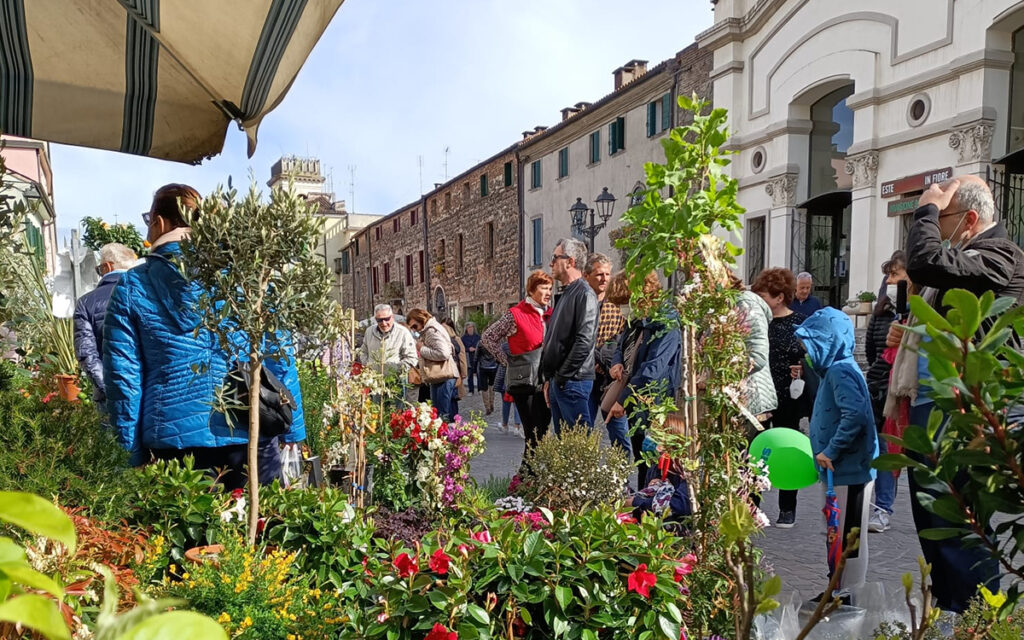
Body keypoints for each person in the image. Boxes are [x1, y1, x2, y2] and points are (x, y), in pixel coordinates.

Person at [103, 183, 306, 488]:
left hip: (174, 443)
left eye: (149, 220)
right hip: (250, 427)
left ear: (159, 223)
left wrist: (130, 452)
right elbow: (280, 355)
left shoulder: (133, 287)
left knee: (192, 532)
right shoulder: (249, 278)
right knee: (265, 528)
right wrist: (294, 430)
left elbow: (123, 379)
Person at [890, 175, 1021, 612]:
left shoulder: (999, 253)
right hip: (936, 406)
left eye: (939, 217)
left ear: (968, 219)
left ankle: (978, 619)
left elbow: (923, 262)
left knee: (962, 524)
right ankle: (953, 614)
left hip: (970, 410)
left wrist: (925, 204)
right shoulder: (967, 256)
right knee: (934, 519)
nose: (932, 225)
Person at [795, 307, 878, 595]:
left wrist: (831, 450)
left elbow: (855, 415)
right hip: (840, 470)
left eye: (810, 346)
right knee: (837, 531)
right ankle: (838, 586)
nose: (806, 353)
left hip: (849, 469)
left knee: (848, 534)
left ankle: (849, 593)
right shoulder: (836, 370)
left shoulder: (841, 371)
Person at [607, 272, 682, 489]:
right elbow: (622, 344)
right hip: (636, 397)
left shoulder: (665, 320)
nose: (622, 310)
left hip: (656, 400)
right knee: (642, 457)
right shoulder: (637, 318)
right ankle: (642, 503)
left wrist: (624, 399)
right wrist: (617, 362)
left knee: (654, 460)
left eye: (624, 302)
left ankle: (651, 509)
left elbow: (654, 368)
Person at [751, 267, 809, 528]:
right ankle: (752, 505)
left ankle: (788, 508)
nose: (759, 301)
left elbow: (811, 357)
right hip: (760, 396)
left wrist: (801, 366)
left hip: (788, 396)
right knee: (756, 452)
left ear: (779, 297)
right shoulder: (757, 322)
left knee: (787, 450)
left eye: (763, 296)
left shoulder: (800, 323)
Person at [481, 270, 553, 471]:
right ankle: (526, 477)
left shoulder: (550, 314)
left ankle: (531, 476)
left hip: (546, 380)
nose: (548, 292)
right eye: (543, 288)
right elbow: (488, 338)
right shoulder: (515, 314)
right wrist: (508, 362)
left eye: (550, 288)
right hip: (524, 382)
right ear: (531, 290)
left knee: (543, 431)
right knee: (532, 432)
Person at [864, 252, 909, 533]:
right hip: (880, 387)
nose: (890, 280)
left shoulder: (915, 314)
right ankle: (882, 507)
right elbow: (870, 350)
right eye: (888, 275)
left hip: (903, 389)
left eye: (896, 275)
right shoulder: (881, 313)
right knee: (883, 448)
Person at [541, 238, 598, 432]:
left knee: (578, 447)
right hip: (562, 381)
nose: (551, 263)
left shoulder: (584, 294)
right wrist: (550, 378)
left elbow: (585, 341)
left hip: (573, 381)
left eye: (555, 258)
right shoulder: (567, 294)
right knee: (566, 447)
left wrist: (562, 376)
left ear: (570, 262)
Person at [74, 242, 136, 408]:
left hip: (108, 398)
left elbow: (86, 354)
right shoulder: (146, 295)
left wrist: (109, 390)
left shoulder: (86, 303)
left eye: (99, 269)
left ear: (107, 267)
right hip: (146, 394)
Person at [585, 255, 630, 454]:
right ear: (587, 276)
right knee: (582, 431)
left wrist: (608, 361)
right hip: (585, 377)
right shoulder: (581, 302)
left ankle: (622, 481)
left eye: (607, 274)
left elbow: (624, 339)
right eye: (599, 274)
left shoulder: (617, 305)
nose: (604, 279)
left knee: (619, 432)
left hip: (611, 378)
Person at [626, 412, 693, 526]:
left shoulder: (686, 473)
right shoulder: (656, 468)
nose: (650, 440)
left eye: (656, 437)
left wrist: (636, 502)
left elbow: (678, 506)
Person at [407, 308, 458, 422]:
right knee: (437, 414)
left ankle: (446, 438)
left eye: (414, 326)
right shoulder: (430, 329)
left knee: (442, 416)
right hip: (439, 376)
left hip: (443, 375)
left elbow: (443, 353)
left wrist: (422, 349)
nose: (414, 329)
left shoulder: (431, 331)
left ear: (421, 319)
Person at [358, 303, 418, 376]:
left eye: (387, 319)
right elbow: (363, 351)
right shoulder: (369, 331)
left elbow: (412, 358)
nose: (384, 323)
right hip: (374, 378)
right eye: (379, 320)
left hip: (395, 380)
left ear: (392, 317)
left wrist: (397, 369)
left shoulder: (403, 332)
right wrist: (368, 365)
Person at [493, 340, 523, 436]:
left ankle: (505, 424)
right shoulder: (520, 344)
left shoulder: (504, 346)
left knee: (505, 402)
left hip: (505, 376)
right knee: (517, 402)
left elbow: (497, 359)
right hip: (518, 375)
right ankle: (516, 426)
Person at [442, 318, 468, 417]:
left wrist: (464, 372)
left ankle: (452, 419)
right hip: (446, 372)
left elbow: (462, 356)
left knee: (453, 397)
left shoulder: (456, 339)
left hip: (454, 371)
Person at [476, 342, 499, 415]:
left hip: (483, 367)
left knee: (484, 388)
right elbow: (498, 354)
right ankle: (491, 402)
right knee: (492, 385)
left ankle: (487, 407)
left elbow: (476, 356)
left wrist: (474, 368)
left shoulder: (480, 343)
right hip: (493, 367)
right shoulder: (494, 342)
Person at [463, 322, 480, 395]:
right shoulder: (463, 338)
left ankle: (480, 389)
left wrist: (476, 349)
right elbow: (462, 348)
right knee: (470, 375)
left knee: (479, 374)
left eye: (472, 327)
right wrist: (468, 349)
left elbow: (481, 346)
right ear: (466, 329)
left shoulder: (478, 337)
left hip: (477, 357)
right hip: (468, 358)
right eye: (469, 327)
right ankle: (471, 390)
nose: (471, 329)